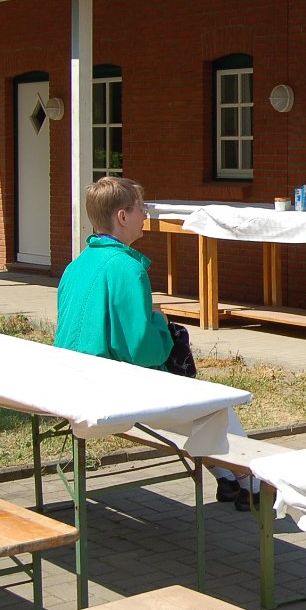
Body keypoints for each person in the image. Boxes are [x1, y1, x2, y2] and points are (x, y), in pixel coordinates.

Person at [55, 177, 258, 510]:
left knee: (196, 406)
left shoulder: (77, 265)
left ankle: (226, 479)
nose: (145, 215)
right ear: (122, 216)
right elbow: (141, 349)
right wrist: (162, 326)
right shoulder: (126, 268)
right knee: (214, 406)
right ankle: (253, 485)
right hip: (109, 389)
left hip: (76, 380)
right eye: (141, 208)